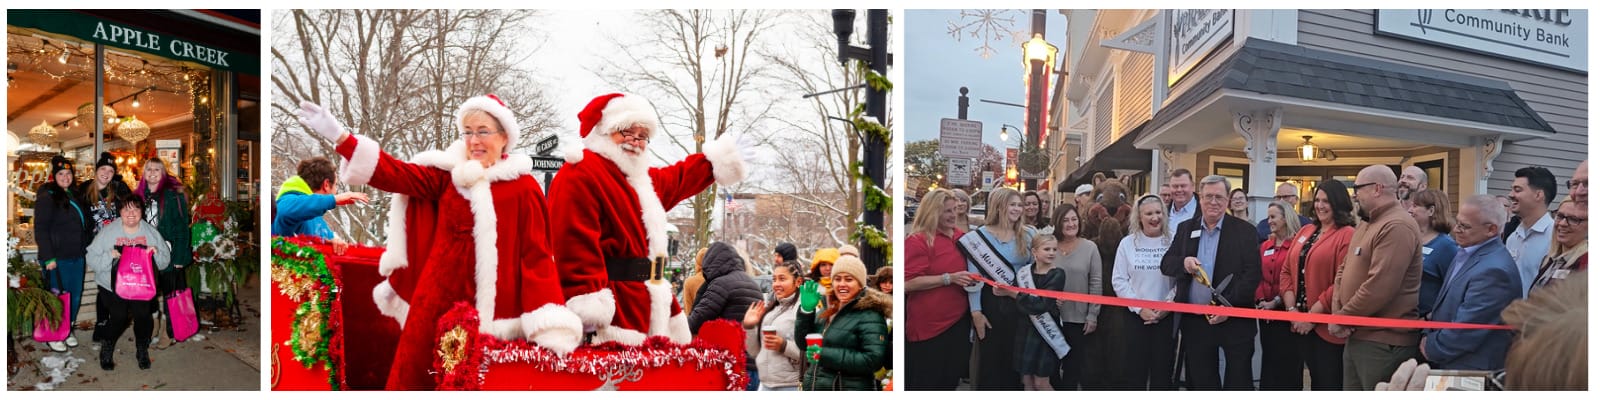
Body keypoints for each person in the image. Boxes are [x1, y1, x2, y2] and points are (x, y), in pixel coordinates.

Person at [296, 96, 581, 389]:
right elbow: (396, 174)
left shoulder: (523, 189)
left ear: (504, 136)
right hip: (434, 307)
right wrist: (341, 137)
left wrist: (547, 320)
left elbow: (536, 256)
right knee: (415, 380)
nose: (474, 140)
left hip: (493, 317)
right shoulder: (448, 177)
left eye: (483, 131)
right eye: (467, 131)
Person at [547, 92, 751, 346]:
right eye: (626, 132)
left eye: (643, 136)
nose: (635, 141)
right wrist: (586, 301)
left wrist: (716, 162)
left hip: (650, 300)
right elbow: (573, 243)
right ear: (603, 131)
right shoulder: (581, 173)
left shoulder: (640, 181)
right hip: (614, 307)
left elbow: (679, 178)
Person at [1160, 175, 1261, 390]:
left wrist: (1228, 307)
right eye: (1208, 197)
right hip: (1196, 322)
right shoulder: (1186, 228)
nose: (1213, 202)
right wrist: (1184, 262)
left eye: (1219, 197)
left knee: (1239, 381)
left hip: (1234, 319)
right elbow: (1166, 264)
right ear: (1200, 199)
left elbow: (1251, 275)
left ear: (1227, 201)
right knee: (1202, 380)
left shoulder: (1245, 231)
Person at [1331, 165, 1423, 391]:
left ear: (1377, 189)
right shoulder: (1366, 223)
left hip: (1383, 343)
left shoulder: (1397, 226)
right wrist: (1338, 312)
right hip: (1357, 334)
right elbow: (1343, 270)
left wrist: (1343, 318)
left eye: (1358, 188)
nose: (1354, 195)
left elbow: (1380, 287)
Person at [1421, 194, 1521, 371]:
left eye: (1464, 226)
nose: (1456, 230)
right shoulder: (1467, 251)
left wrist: (1430, 347)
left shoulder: (1494, 271)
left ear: (1491, 229)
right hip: (1452, 359)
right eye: (1457, 222)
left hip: (1470, 368)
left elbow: (1466, 330)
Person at [1280, 180, 1357, 390]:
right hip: (1298, 324)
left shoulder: (1348, 235)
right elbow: (1287, 270)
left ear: (1339, 203)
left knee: (1327, 384)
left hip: (1327, 329)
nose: (1320, 205)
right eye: (1317, 200)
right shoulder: (1306, 230)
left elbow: (1340, 282)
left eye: (1326, 201)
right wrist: (1292, 310)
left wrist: (1311, 317)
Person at [904, 189, 979, 390]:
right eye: (947, 211)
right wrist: (948, 279)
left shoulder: (963, 239)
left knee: (949, 380)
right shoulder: (918, 240)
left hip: (958, 321)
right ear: (933, 212)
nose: (953, 215)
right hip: (928, 326)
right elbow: (907, 282)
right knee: (926, 382)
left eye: (955, 210)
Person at [85, 196, 170, 370]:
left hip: (141, 284)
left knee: (143, 316)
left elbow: (164, 261)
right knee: (119, 316)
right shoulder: (109, 232)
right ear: (120, 212)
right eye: (126, 209)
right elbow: (91, 258)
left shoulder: (150, 232)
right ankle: (107, 348)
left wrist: (155, 254)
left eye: (135, 209)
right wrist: (109, 256)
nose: (131, 214)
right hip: (112, 284)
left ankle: (142, 349)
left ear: (141, 212)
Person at [962, 187, 1034, 390]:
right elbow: (974, 279)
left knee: (1015, 363)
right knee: (991, 363)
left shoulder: (1027, 235)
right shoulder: (979, 237)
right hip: (990, 304)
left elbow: (1034, 272)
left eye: (1020, 205)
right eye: (1013, 204)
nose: (1018, 209)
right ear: (999, 206)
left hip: (1018, 303)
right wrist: (976, 313)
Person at [795, 255, 890, 390]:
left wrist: (824, 355)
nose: (842, 284)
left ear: (860, 284)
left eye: (849, 279)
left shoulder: (870, 314)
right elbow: (804, 344)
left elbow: (872, 361)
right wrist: (806, 311)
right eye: (837, 279)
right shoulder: (828, 309)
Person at [1111, 194, 1176, 390]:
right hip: (1135, 318)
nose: (1154, 217)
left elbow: (1181, 280)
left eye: (1158, 212)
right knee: (1134, 372)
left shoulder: (1173, 241)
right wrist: (1140, 308)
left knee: (1162, 373)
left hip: (1165, 317)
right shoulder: (1127, 243)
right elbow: (1119, 280)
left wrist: (1166, 306)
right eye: (1149, 213)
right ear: (1139, 217)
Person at [33, 156, 92, 353]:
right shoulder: (47, 196)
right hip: (57, 259)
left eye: (68, 173)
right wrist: (48, 257)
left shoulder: (75, 194)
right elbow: (40, 229)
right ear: (54, 176)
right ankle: (53, 333)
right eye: (61, 174)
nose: (65, 177)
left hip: (77, 256)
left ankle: (67, 329)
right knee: (56, 298)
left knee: (74, 296)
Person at [136, 156, 193, 350]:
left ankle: (169, 332)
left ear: (163, 173)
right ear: (144, 173)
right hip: (145, 255)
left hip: (168, 253)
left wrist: (179, 257)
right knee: (148, 294)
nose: (152, 173)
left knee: (171, 294)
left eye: (156, 170)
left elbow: (182, 228)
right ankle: (154, 323)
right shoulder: (138, 195)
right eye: (149, 169)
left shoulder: (173, 196)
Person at [76, 152, 130, 345]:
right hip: (97, 246)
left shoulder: (118, 189)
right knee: (103, 284)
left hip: (118, 245)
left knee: (113, 285)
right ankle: (102, 323)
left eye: (110, 170)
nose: (106, 173)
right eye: (103, 169)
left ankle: (105, 324)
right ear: (96, 170)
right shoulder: (83, 190)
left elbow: (132, 207)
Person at [1002, 235, 1066, 390]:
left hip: (1045, 333)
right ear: (1034, 252)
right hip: (1025, 329)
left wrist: (1013, 294)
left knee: (1041, 381)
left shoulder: (1057, 274)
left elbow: (1040, 305)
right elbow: (1020, 305)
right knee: (1027, 380)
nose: (1051, 253)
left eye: (1054, 249)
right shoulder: (1024, 273)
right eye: (1047, 249)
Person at [1048, 203, 1100, 390]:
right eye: (1065, 220)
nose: (1071, 224)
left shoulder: (1090, 247)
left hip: (1078, 318)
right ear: (1057, 223)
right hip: (1050, 318)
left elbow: (1095, 282)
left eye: (1074, 219)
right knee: (1050, 369)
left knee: (1073, 368)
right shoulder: (1049, 245)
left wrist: (1092, 315)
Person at [271, 157, 370, 253]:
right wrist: (334, 199)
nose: (336, 191)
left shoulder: (315, 217)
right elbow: (284, 211)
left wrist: (334, 242)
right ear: (326, 184)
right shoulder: (289, 201)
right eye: (336, 185)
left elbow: (326, 238)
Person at [1256, 200, 1301, 390]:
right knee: (1269, 357)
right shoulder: (1265, 246)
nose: (1269, 221)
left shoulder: (1297, 247)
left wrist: (1276, 302)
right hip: (1266, 314)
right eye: (1268, 217)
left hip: (1286, 312)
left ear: (1286, 218)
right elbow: (1257, 274)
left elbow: (1295, 279)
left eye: (1273, 217)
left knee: (1288, 360)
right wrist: (1260, 300)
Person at [743, 260, 806, 391]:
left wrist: (783, 346)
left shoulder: (806, 311)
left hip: (791, 386)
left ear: (798, 282)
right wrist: (749, 327)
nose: (776, 284)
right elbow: (754, 352)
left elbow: (811, 356)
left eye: (782, 279)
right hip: (765, 384)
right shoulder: (771, 310)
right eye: (774, 279)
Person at [688, 242, 761, 334]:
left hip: (724, 343)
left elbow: (696, 321)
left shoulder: (720, 283)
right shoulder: (754, 284)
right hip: (748, 343)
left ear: (709, 263)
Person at [1505, 166, 1557, 296]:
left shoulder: (1555, 237)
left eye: (1517, 190)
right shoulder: (1513, 238)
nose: (1510, 195)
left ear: (1538, 195)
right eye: (1512, 189)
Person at [1408, 189, 1459, 316]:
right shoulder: (1409, 239)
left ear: (1431, 211)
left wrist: (1429, 320)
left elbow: (1452, 290)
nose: (1409, 210)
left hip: (1426, 322)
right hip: (1404, 318)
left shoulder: (1446, 247)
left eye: (1415, 206)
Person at [1531, 199, 1586, 290]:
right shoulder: (1549, 259)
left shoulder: (1585, 265)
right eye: (1560, 216)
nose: (1562, 223)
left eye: (1573, 219)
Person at [1166, 169, 1196, 236]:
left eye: (1183, 186)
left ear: (1193, 186)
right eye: (1175, 186)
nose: (1179, 190)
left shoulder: (1204, 211)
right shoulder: (1162, 212)